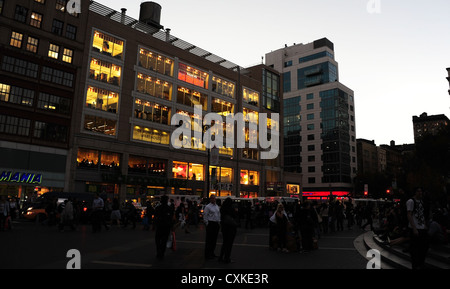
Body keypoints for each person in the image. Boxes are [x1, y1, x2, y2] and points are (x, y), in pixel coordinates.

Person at [407, 187, 429, 269]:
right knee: (415, 248)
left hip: (422, 227)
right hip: (415, 227)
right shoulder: (411, 201)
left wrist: (425, 224)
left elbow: (422, 213)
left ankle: (420, 263)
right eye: (418, 191)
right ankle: (416, 265)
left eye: (421, 191)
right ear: (415, 192)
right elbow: (409, 214)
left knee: (424, 246)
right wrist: (414, 228)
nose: (420, 193)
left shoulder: (421, 201)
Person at [154, 195, 174, 260]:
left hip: (159, 226)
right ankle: (162, 252)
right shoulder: (169, 208)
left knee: (157, 239)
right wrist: (172, 226)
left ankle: (158, 251)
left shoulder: (158, 208)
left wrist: (154, 225)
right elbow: (171, 218)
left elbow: (155, 217)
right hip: (166, 226)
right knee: (164, 240)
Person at [219, 197, 238, 263]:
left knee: (224, 243)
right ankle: (227, 258)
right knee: (229, 244)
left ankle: (221, 257)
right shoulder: (231, 209)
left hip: (224, 227)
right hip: (231, 228)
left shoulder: (222, 209)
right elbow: (235, 216)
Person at [203, 194, 221, 259]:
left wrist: (219, 222)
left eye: (214, 198)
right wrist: (207, 224)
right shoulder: (208, 207)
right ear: (210, 199)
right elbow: (205, 216)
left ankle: (212, 253)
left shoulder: (217, 206)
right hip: (211, 223)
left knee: (214, 240)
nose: (213, 199)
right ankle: (207, 254)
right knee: (209, 240)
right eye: (211, 198)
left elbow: (218, 215)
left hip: (216, 224)